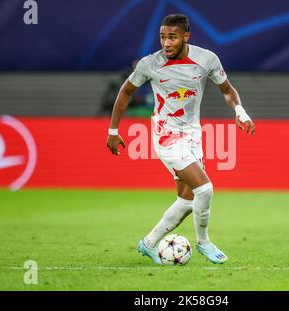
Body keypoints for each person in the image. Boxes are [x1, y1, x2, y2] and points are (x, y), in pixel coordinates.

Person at [106, 14, 255, 264]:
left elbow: (227, 90)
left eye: (172, 37)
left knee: (187, 200)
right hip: (166, 135)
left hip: (193, 135)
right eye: (162, 37)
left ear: (186, 36)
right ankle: (204, 242)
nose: (166, 43)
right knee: (205, 189)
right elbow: (126, 91)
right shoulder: (149, 64)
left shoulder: (206, 59)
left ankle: (149, 243)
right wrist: (113, 131)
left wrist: (240, 111)